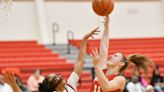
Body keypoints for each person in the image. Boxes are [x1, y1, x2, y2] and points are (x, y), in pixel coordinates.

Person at [89, 15, 154, 92]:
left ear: (121, 63)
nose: (110, 56)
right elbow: (104, 48)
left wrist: (97, 65)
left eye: (115, 56)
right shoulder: (102, 70)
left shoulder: (120, 79)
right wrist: (106, 27)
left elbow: (107, 87)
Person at [38, 28, 99, 92]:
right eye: (55, 78)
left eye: (56, 75)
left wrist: (84, 39)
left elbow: (80, 62)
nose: (59, 76)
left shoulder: (69, 86)